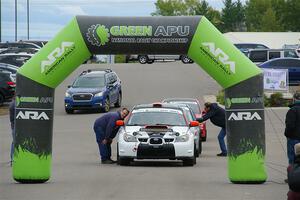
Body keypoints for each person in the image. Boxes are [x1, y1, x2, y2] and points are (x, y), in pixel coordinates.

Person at [284, 91, 300, 165]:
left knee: (293, 159)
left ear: (294, 99)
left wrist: (287, 134)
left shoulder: (293, 110)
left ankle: (293, 175)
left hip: (294, 139)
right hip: (295, 138)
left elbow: (290, 126)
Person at [9, 97, 16, 166]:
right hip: (16, 127)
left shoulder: (13, 103)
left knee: (14, 142)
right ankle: (12, 159)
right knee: (15, 142)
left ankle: (13, 159)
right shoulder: (14, 104)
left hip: (14, 126)